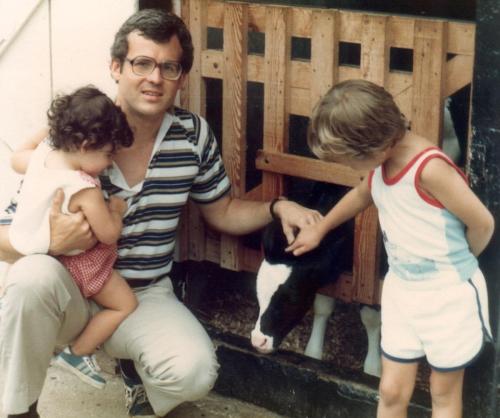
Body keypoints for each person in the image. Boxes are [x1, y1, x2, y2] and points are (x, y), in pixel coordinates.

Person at [0, 9, 321, 418]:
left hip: (142, 294)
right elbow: (4, 235)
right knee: (29, 278)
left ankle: (140, 383)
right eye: (142, 63)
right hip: (69, 292)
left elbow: (221, 210)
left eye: (169, 67)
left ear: (181, 78)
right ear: (116, 67)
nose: (155, 78)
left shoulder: (193, 134)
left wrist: (278, 207)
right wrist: (53, 240)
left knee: (195, 371)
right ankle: (19, 408)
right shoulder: (82, 129)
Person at [286, 79, 495, 418]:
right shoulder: (381, 165)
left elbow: (482, 223)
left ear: (372, 143)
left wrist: (457, 264)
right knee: (391, 388)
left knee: (443, 391)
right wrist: (321, 229)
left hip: (446, 295)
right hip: (402, 291)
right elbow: (361, 195)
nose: (350, 168)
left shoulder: (429, 168)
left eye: (349, 160)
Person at [9, 86, 138, 390]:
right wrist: (117, 211)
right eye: (107, 154)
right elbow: (107, 234)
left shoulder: (42, 157)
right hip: (85, 264)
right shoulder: (84, 187)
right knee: (124, 305)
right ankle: (77, 354)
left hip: (53, 262)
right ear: (84, 144)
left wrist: (56, 127)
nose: (109, 163)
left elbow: (16, 157)